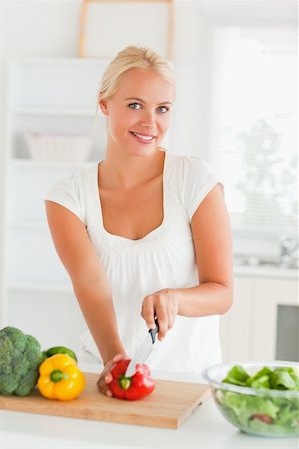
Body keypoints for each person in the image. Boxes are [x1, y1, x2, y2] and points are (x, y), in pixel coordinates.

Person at [44, 45, 233, 397]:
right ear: (104, 104)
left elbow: (221, 292)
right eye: (135, 105)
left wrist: (175, 298)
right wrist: (116, 363)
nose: (150, 123)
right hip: (106, 371)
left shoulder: (194, 180)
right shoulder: (68, 197)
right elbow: (91, 286)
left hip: (188, 380)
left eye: (162, 109)